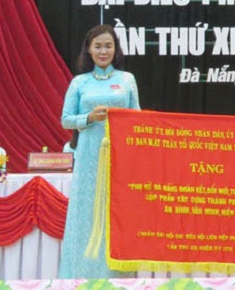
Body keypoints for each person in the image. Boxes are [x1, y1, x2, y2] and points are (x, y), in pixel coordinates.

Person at [58, 24, 140, 279]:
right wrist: (89, 118)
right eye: (98, 46)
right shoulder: (79, 82)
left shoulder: (126, 79)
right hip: (88, 154)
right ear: (89, 50)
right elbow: (66, 119)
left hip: (119, 156)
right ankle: (80, 275)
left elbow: (137, 117)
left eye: (108, 46)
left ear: (115, 50)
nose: (103, 51)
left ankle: (118, 277)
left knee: (117, 210)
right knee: (86, 210)